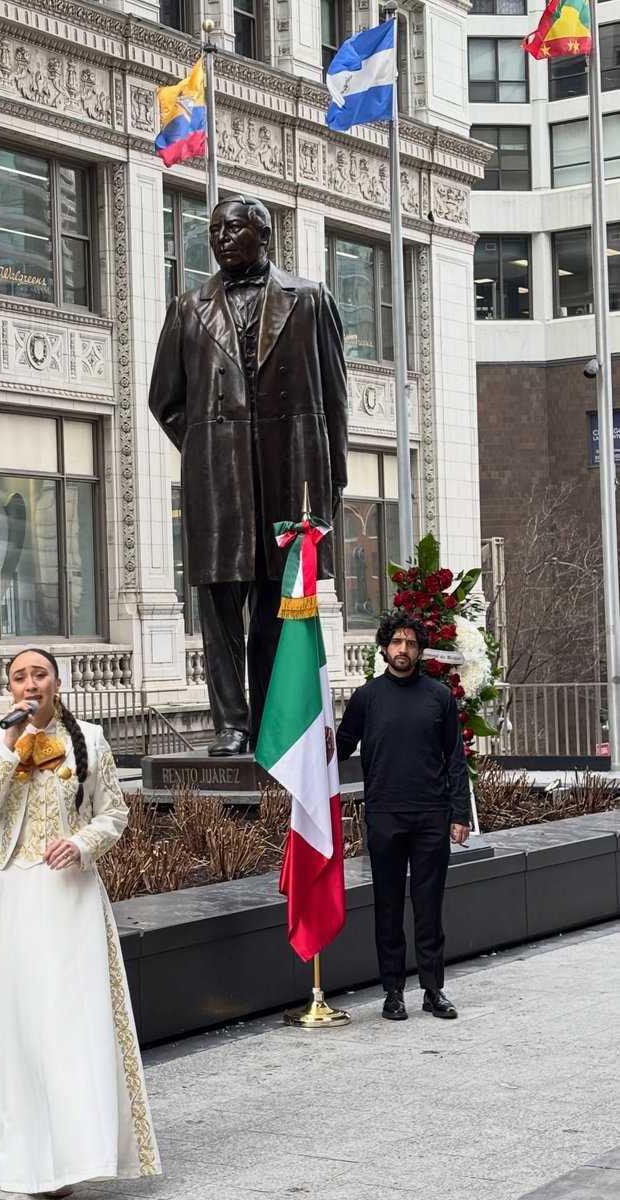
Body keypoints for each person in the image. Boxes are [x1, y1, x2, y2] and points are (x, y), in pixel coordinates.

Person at [0, 648, 161, 1197]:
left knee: (71, 1018)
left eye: (38, 674)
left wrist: (81, 844)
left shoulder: (89, 739)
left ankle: (78, 1150)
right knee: (20, 1020)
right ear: (8, 687)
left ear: (57, 681)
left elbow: (113, 813)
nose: (29, 683)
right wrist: (10, 744)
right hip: (13, 895)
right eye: (18, 676)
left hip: (70, 896)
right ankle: (28, 1155)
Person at [149, 195, 348, 756]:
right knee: (217, 609)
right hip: (220, 484)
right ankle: (230, 724)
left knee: (275, 608)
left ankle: (269, 722)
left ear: (264, 234)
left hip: (289, 478)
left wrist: (331, 480)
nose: (222, 238)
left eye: (233, 228)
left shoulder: (309, 300)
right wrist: (211, 442)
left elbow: (334, 399)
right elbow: (165, 400)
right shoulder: (188, 308)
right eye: (214, 231)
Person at [336, 613, 472, 1021]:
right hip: (384, 815)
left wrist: (460, 813)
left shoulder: (439, 697)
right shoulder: (367, 697)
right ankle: (393, 992)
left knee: (429, 907)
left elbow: (456, 760)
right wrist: (311, 738)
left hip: (432, 814)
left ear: (419, 650)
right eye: (396, 642)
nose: (403, 650)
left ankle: (433, 990)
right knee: (388, 905)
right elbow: (340, 747)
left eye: (411, 643)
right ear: (383, 648)